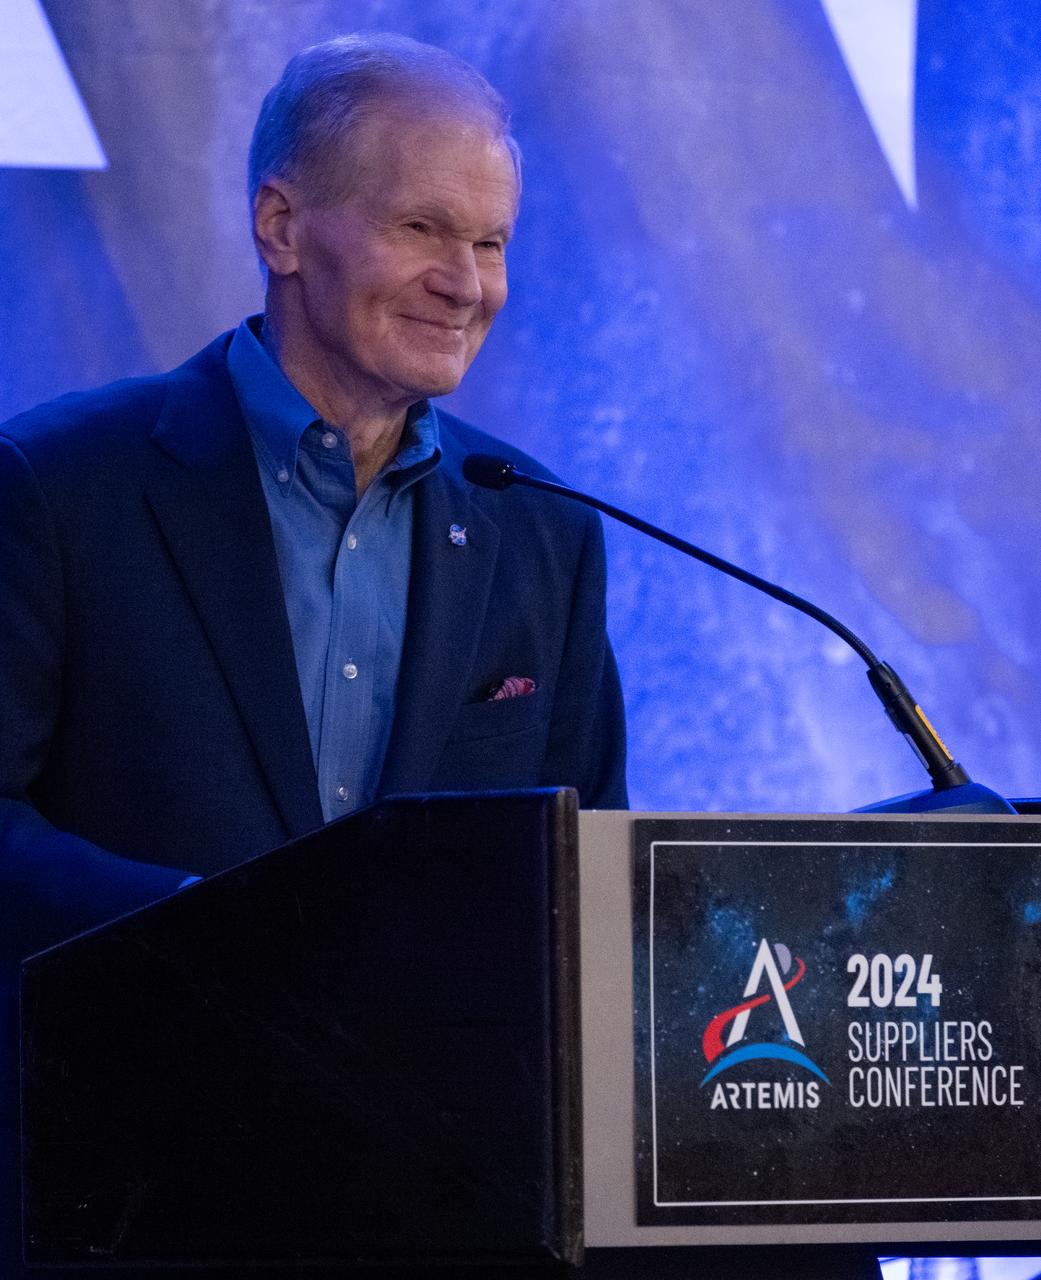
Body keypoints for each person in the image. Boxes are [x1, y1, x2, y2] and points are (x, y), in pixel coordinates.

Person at [0, 32, 626, 1276]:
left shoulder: (540, 529)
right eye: (424, 229)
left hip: (445, 1211)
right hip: (133, 1200)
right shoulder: (59, 486)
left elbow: (587, 868)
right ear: (282, 225)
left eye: (493, 241)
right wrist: (200, 931)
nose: (469, 282)